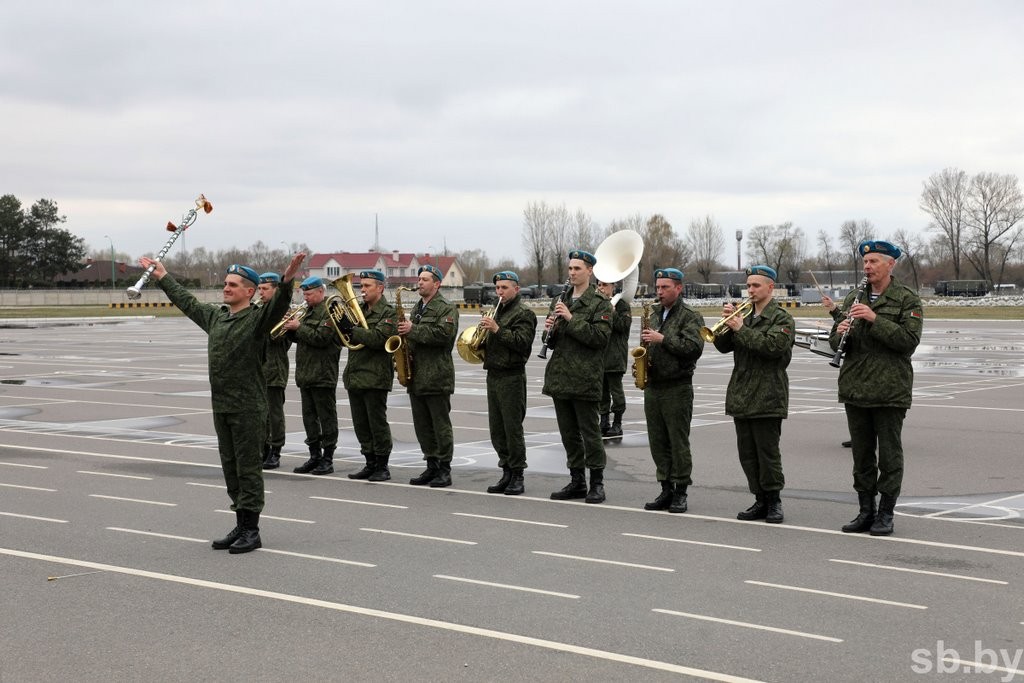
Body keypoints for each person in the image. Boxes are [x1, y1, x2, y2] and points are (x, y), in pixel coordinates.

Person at [139, 252, 305, 554]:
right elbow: (187, 302)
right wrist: (163, 276)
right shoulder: (217, 317)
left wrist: (287, 281)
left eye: (233, 285)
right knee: (230, 467)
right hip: (223, 408)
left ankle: (252, 530)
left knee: (248, 469)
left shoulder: (256, 320)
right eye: (226, 284)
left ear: (249, 291)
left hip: (248, 408)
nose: (226, 288)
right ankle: (240, 524)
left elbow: (278, 307)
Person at [829, 240, 923, 536]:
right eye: (865, 263)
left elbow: (908, 341)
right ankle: (865, 510)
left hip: (889, 390)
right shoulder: (854, 298)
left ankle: (886, 513)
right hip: (856, 388)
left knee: (889, 457)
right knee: (862, 456)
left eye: (873, 262)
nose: (867, 267)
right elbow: (836, 344)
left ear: (890, 264)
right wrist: (839, 332)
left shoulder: (906, 298)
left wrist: (873, 318)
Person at [713, 265, 795, 524]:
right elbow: (722, 347)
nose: (750, 290)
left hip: (768, 394)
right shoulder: (743, 316)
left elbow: (772, 347)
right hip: (742, 393)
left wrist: (741, 329)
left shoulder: (782, 319)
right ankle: (759, 498)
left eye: (756, 286)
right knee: (747, 453)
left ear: (771, 287)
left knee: (767, 452)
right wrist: (726, 324)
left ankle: (774, 501)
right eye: (748, 286)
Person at [544, 250, 613, 504]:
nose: (572, 273)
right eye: (570, 268)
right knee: (568, 434)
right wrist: (548, 331)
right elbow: (550, 343)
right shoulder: (560, 300)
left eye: (577, 269)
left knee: (590, 433)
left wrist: (571, 319)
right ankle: (576, 481)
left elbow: (599, 339)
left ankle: (597, 483)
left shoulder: (600, 302)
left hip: (585, 378)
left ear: (590, 271)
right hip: (561, 377)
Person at [640, 268, 704, 513]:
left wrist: (663, 339)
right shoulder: (654, 312)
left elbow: (693, 347)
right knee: (658, 441)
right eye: (657, 287)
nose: (660, 291)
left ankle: (680, 491)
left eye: (665, 287)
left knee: (677, 442)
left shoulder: (691, 315)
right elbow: (647, 342)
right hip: (653, 385)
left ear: (679, 288)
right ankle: (665, 488)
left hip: (677, 387)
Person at [397, 264, 459, 487]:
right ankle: (431, 465)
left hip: (437, 377)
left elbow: (444, 336)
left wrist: (413, 330)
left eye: (425, 279)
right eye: (419, 278)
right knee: (422, 426)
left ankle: (444, 468)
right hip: (417, 377)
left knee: (440, 426)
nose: (419, 282)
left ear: (437, 284)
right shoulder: (417, 308)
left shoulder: (446, 308)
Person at [334, 270, 398, 482]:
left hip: (375, 376)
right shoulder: (357, 309)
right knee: (360, 424)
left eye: (367, 286)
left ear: (380, 288)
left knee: (376, 423)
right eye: (361, 286)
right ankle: (369, 462)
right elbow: (345, 339)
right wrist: (340, 327)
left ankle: (382, 465)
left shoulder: (388, 312)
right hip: (355, 375)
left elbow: (380, 337)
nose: (362, 290)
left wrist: (352, 330)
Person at [479, 271, 537, 495]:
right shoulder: (497, 311)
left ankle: (518, 474)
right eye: (497, 288)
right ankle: (505, 470)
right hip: (493, 373)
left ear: (516, 289)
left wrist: (496, 329)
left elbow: (522, 343)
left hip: (511, 376)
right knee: (497, 429)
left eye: (504, 288)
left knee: (512, 428)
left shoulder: (524, 313)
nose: (499, 292)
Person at [285, 276, 342, 476]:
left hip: (323, 373)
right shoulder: (307, 312)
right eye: (304, 294)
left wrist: (299, 327)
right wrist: (289, 329)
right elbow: (299, 338)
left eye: (308, 294)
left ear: (320, 291)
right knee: (309, 418)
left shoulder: (330, 311)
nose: (305, 298)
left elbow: (321, 338)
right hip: (306, 374)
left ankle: (328, 458)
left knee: (326, 418)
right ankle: (314, 455)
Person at [258, 272, 292, 470]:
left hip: (274, 371)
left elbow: (276, 338)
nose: (260, 292)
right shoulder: (257, 310)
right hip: (257, 372)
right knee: (260, 415)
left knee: (274, 415)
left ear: (276, 290)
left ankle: (275, 450)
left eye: (265, 289)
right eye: (259, 289)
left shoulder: (284, 313)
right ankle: (262, 448)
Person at [595, 279, 632, 439]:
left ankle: (618, 422)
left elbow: (623, 326)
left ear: (613, 287)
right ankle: (604, 421)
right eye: (600, 285)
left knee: (616, 392)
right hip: (600, 354)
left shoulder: (622, 305)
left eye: (605, 285)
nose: (601, 288)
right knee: (601, 392)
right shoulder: (597, 303)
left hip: (615, 355)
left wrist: (613, 311)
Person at [822, 294, 853, 449]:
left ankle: (873, 437)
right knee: (853, 403)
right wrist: (833, 309)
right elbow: (845, 318)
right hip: (853, 369)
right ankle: (858, 436)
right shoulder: (854, 297)